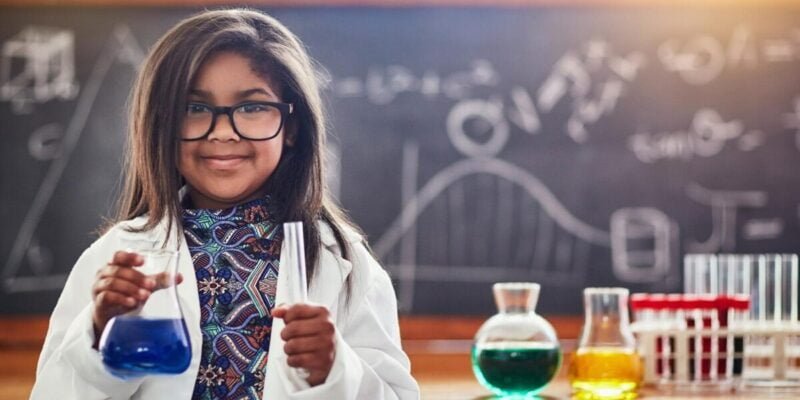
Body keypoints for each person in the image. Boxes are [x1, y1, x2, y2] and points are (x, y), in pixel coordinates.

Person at [31, 8, 419, 400]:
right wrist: (98, 338)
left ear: (292, 127)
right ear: (162, 125)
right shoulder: (118, 257)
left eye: (252, 107)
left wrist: (335, 371)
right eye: (195, 109)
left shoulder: (345, 260)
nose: (222, 133)